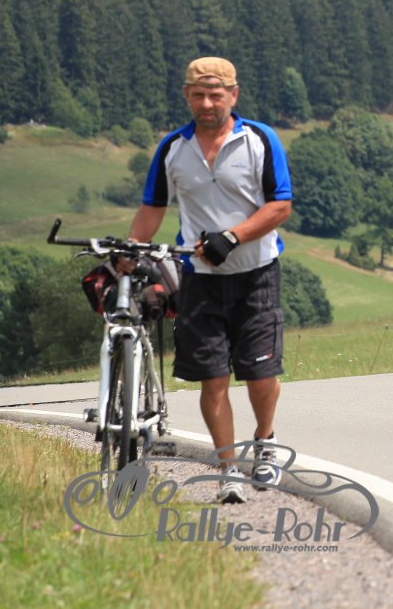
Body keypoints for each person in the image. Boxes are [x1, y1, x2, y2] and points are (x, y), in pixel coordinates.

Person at [128, 57, 293, 504]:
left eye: (216, 95)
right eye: (198, 95)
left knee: (261, 374)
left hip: (256, 273)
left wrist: (233, 237)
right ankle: (228, 469)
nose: (207, 103)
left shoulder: (259, 139)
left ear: (233, 95)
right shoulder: (173, 148)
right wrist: (129, 253)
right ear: (186, 95)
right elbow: (153, 207)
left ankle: (265, 440)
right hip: (200, 279)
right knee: (213, 379)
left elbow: (280, 206)